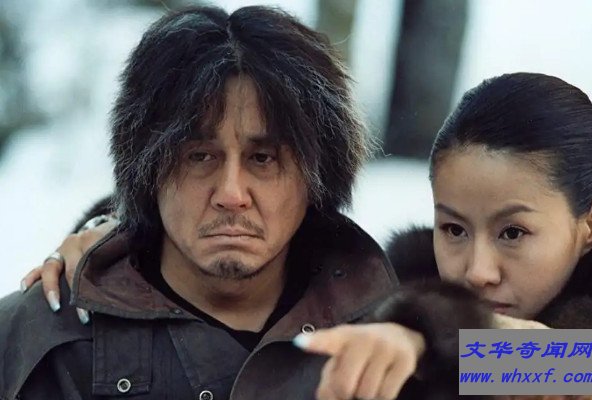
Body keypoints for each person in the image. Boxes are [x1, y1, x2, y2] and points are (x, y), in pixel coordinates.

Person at [1, 5, 492, 400]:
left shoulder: (386, 317)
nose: (232, 194)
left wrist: (431, 341)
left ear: (317, 175)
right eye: (199, 157)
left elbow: (544, 368)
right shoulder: (39, 334)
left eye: (263, 158)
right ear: (147, 169)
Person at [386, 72, 592, 337]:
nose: (478, 273)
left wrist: (424, 349)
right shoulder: (386, 303)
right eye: (454, 230)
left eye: (512, 233)